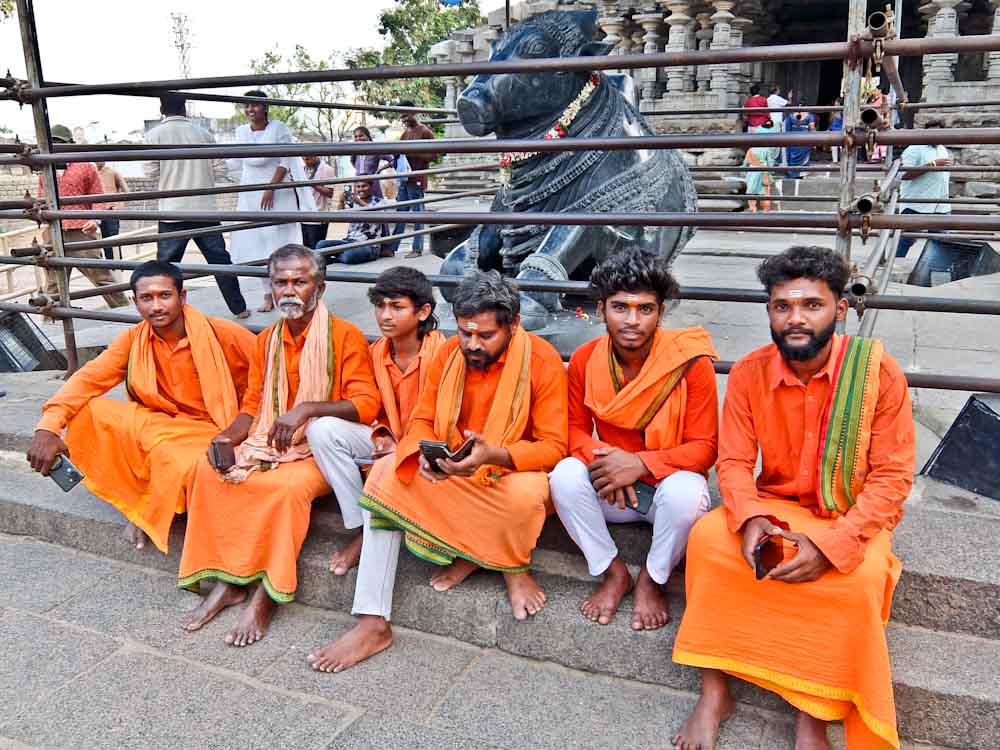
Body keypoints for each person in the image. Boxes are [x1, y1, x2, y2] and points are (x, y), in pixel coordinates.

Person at [671, 245, 915, 750]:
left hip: (849, 515)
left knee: (857, 580)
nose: (796, 318)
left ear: (839, 309)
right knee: (708, 543)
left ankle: (813, 713)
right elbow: (734, 463)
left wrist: (832, 545)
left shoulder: (878, 373)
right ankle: (714, 692)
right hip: (774, 508)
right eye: (783, 306)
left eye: (812, 305)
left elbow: (892, 478)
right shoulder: (749, 372)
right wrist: (751, 518)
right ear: (769, 311)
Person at [306, 270, 568, 674]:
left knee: (526, 497)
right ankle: (373, 620)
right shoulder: (448, 354)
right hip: (451, 467)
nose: (472, 344)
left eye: (485, 336)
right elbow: (423, 420)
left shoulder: (542, 359)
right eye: (464, 333)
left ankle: (506, 563)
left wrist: (495, 455)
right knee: (387, 473)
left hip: (507, 471)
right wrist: (424, 455)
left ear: (514, 324)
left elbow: (553, 447)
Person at [178, 244, 379, 647]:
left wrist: (306, 410)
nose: (289, 290)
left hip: (319, 447)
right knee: (209, 470)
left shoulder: (345, 336)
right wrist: (226, 438)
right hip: (270, 440)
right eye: (280, 282)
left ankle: (264, 597)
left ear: (319, 288)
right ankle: (229, 581)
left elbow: (367, 405)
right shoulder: (266, 339)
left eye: (299, 282)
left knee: (284, 489)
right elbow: (252, 405)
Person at [26, 260, 255, 553]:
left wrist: (247, 427)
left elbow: (270, 379)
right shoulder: (134, 339)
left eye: (165, 296)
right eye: (147, 298)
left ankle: (146, 509)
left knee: (175, 458)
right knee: (88, 412)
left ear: (182, 297)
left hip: (215, 428)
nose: (156, 306)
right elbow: (88, 379)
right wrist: (47, 428)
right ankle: (143, 501)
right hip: (161, 424)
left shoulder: (224, 334)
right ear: (136, 303)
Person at [549, 252, 718, 631]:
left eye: (645, 309)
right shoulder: (584, 360)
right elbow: (573, 431)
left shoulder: (691, 363)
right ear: (601, 309)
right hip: (614, 491)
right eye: (620, 307)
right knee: (564, 476)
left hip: (665, 492)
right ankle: (613, 572)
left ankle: (652, 579)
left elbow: (705, 448)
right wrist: (612, 465)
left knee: (687, 494)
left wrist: (639, 465)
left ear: (661, 312)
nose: (632, 320)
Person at [325, 266, 446, 577]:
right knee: (322, 429)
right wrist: (381, 433)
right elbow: (371, 407)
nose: (385, 316)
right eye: (380, 306)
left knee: (390, 468)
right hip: (388, 442)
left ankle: (369, 533)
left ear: (423, 312)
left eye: (397, 307)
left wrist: (404, 447)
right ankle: (360, 525)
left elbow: (446, 419)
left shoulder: (445, 355)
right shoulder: (375, 353)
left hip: (427, 449)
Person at [146, 94, 249, 319]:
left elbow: (150, 173)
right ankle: (239, 308)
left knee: (165, 270)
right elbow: (220, 169)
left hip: (172, 211)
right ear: (185, 108)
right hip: (205, 210)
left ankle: (162, 312)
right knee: (220, 262)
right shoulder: (203, 134)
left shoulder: (154, 135)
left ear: (162, 109)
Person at [228, 91, 316, 313]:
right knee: (257, 244)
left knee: (281, 244)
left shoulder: (278, 128)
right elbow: (233, 161)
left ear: (265, 107)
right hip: (250, 193)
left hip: (278, 193)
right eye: (247, 106)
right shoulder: (241, 132)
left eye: (255, 105)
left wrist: (270, 188)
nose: (250, 110)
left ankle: (294, 291)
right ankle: (268, 294)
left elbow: (285, 160)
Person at [36, 125, 129, 309]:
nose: (55, 146)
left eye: (59, 142)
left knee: (102, 278)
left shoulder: (85, 167)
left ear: (69, 144)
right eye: (52, 142)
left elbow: (98, 197)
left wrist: (94, 220)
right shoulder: (44, 169)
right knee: (54, 284)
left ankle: (127, 313)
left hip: (81, 231)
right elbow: (41, 198)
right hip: (54, 231)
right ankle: (52, 323)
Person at [895, 124, 952, 259]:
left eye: (939, 133)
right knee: (906, 240)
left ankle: (936, 269)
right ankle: (893, 264)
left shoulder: (943, 149)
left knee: (942, 242)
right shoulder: (914, 149)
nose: (936, 137)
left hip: (940, 204)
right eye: (933, 133)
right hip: (917, 203)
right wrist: (932, 165)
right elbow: (903, 175)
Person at [390, 103, 438, 258]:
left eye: (405, 115)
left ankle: (417, 248)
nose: (403, 119)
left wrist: (413, 153)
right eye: (401, 117)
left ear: (414, 112)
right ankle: (392, 247)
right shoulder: (405, 134)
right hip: (405, 179)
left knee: (417, 213)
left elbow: (434, 155)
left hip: (417, 178)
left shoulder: (425, 132)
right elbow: (400, 155)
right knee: (401, 212)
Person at [315, 181, 394, 264]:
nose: (361, 189)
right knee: (321, 245)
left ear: (371, 187)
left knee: (350, 255)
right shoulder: (352, 202)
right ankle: (340, 255)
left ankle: (335, 258)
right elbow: (340, 218)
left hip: (369, 245)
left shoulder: (380, 202)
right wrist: (341, 202)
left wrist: (359, 202)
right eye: (358, 187)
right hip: (349, 241)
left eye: (364, 186)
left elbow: (378, 217)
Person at [743, 121, 780, 212]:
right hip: (763, 171)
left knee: (751, 191)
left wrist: (743, 168)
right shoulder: (767, 149)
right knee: (765, 192)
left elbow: (745, 162)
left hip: (752, 171)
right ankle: (765, 210)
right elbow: (770, 162)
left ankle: (753, 208)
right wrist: (770, 171)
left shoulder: (751, 149)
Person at [301, 155, 337, 249]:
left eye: (308, 158)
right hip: (302, 216)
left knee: (317, 250)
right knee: (305, 250)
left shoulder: (327, 169)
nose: (305, 160)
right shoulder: (302, 170)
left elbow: (330, 193)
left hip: (318, 218)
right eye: (304, 158)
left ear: (316, 155)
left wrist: (312, 184)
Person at [95, 160, 128, 261]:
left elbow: (126, 191)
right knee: (102, 240)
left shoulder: (113, 172)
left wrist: (120, 205)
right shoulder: (93, 172)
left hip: (110, 211)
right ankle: (108, 264)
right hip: (96, 211)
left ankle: (117, 265)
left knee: (113, 239)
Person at [350, 126, 394, 201]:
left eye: (361, 136)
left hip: (372, 182)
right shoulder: (354, 150)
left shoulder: (374, 149)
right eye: (356, 136)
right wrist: (360, 171)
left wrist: (380, 169)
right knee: (359, 203)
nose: (358, 138)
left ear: (367, 136)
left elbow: (392, 160)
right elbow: (353, 162)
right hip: (358, 182)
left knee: (375, 203)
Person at [784, 106, 817, 178]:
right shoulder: (809, 116)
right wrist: (815, 140)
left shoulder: (790, 116)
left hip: (793, 139)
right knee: (804, 156)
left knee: (792, 156)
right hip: (805, 139)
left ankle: (792, 173)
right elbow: (812, 128)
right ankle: (801, 174)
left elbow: (787, 130)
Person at [828, 100, 844, 165]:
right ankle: (835, 161)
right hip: (834, 131)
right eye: (835, 104)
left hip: (840, 131)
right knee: (834, 146)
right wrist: (829, 129)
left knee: (841, 147)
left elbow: (843, 121)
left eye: (837, 104)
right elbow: (831, 122)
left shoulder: (842, 112)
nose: (835, 105)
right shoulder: (832, 112)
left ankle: (843, 160)